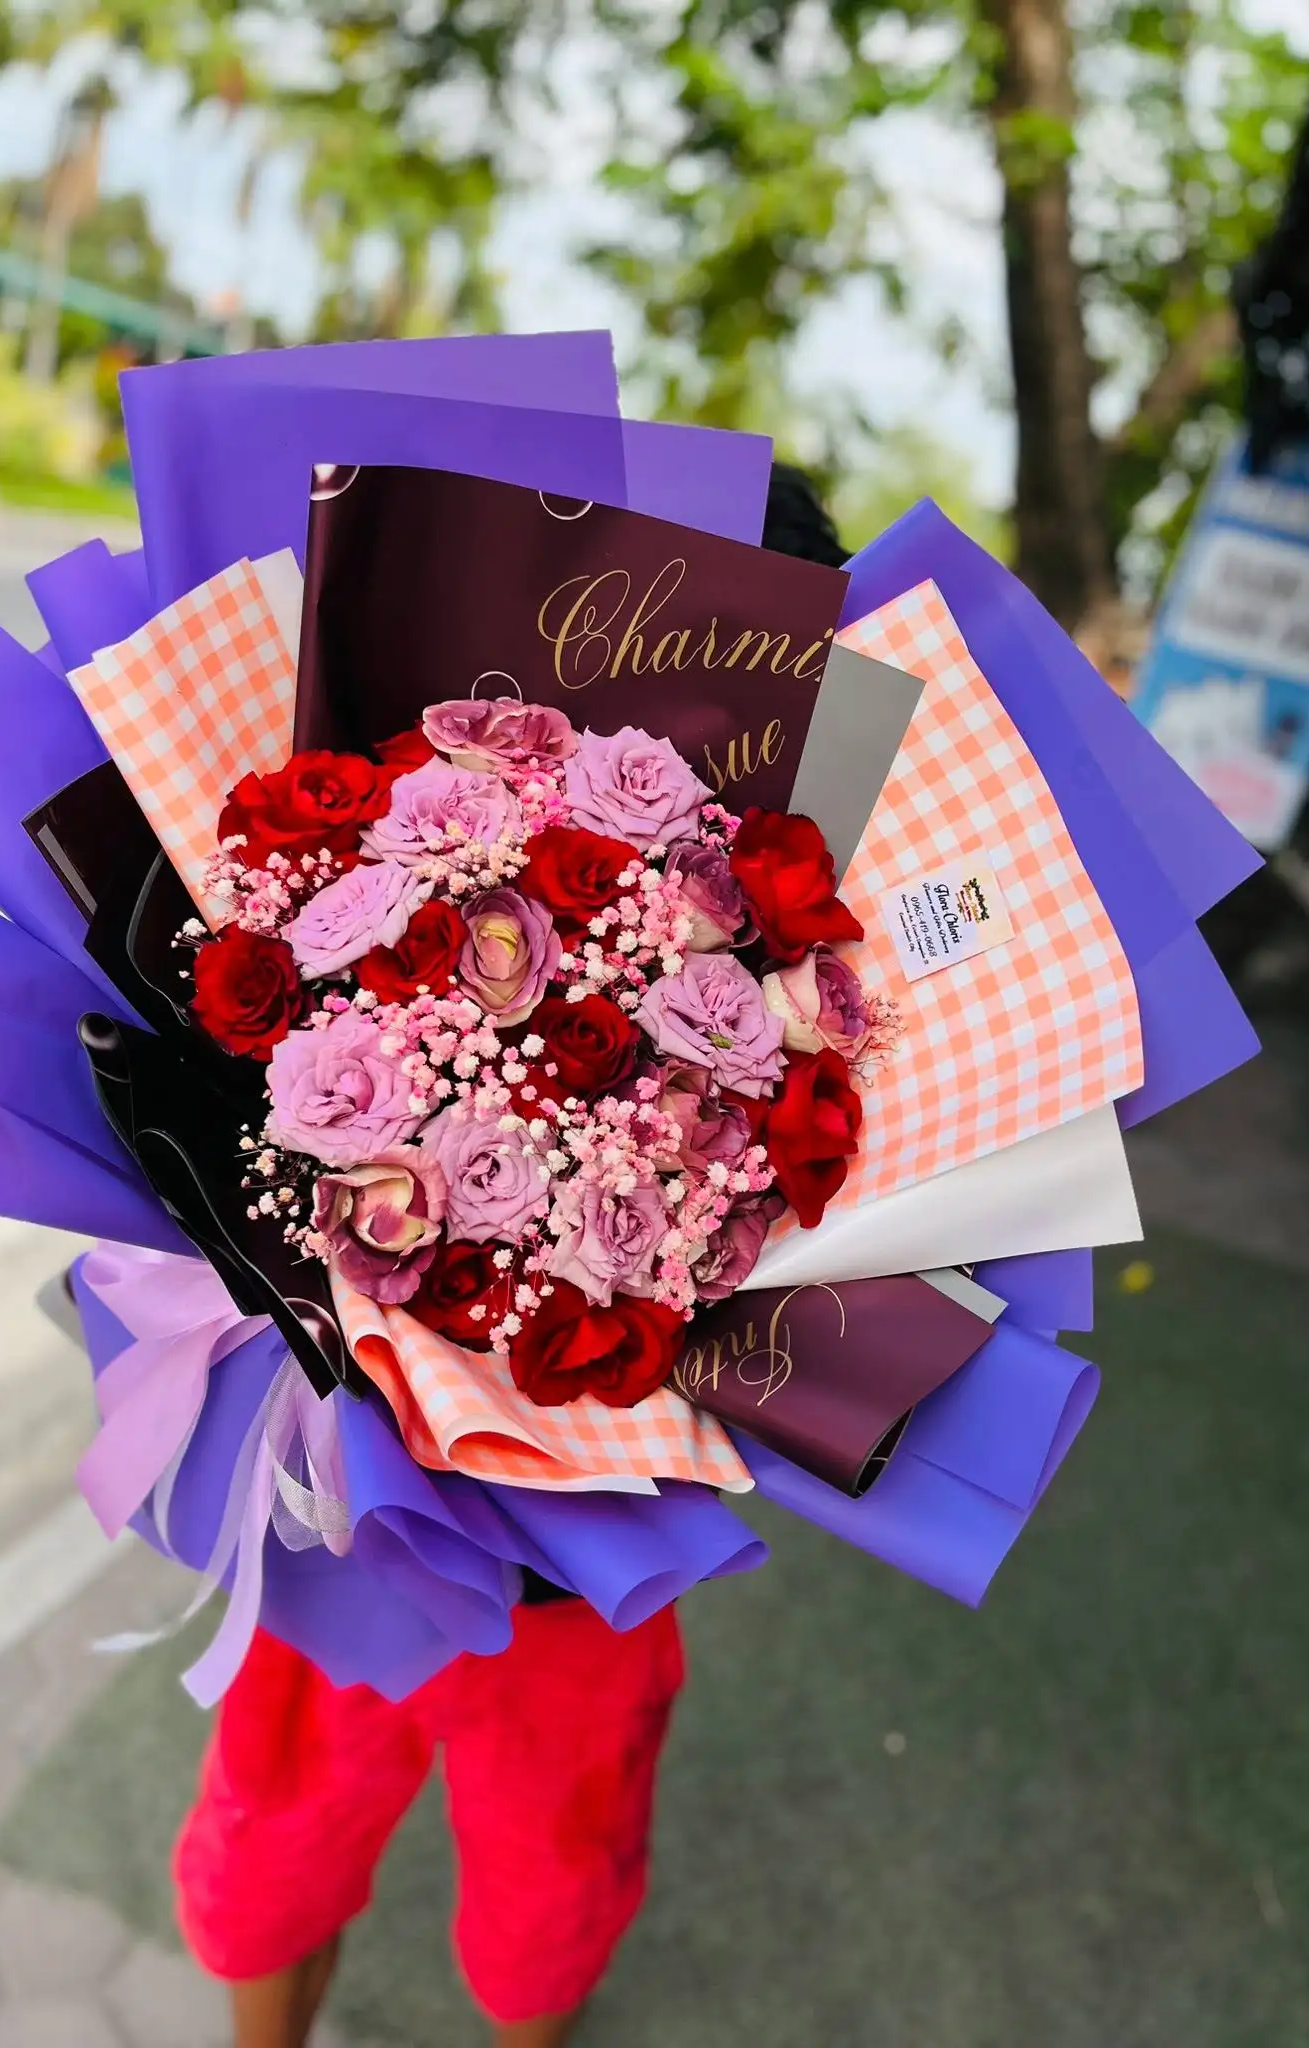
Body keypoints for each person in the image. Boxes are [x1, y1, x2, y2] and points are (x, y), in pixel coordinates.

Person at [172, 460, 849, 2048]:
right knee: (281, 1843)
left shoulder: (794, 914)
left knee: (548, 1885)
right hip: (357, 1501)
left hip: (588, 1566)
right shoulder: (444, 816)